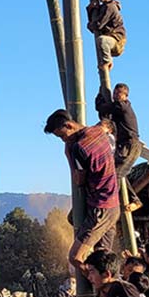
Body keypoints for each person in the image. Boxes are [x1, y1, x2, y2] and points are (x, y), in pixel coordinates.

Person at [44, 109, 120, 273]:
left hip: (100, 208)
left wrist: (69, 155)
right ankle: (107, 286)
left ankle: (99, 282)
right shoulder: (99, 130)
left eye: (62, 136)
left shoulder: (79, 148)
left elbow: (79, 180)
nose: (63, 140)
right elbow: (106, 125)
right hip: (113, 203)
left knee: (75, 257)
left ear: (69, 125)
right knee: (103, 257)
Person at [95, 83, 142, 212]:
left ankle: (109, 204)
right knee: (118, 172)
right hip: (124, 146)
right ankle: (135, 200)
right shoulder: (117, 110)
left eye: (119, 93)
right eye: (115, 93)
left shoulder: (122, 106)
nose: (116, 95)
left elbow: (102, 108)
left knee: (114, 174)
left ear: (126, 96)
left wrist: (101, 92)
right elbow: (104, 114)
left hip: (130, 145)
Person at [86, 0, 126, 72]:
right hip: (109, 38)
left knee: (102, 40)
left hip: (116, 40)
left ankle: (107, 62)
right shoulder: (103, 7)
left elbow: (98, 25)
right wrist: (90, 9)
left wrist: (90, 25)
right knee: (101, 40)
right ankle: (106, 61)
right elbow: (94, 24)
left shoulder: (110, 7)